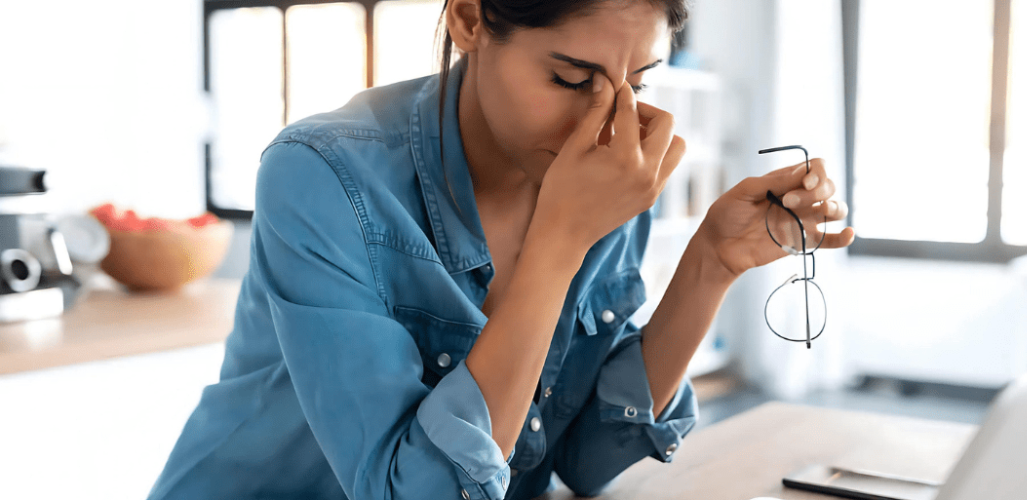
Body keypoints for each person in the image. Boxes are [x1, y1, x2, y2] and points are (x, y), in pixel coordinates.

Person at [147, 0, 854, 499]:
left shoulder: (608, 172)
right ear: (468, 17)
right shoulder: (324, 174)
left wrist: (711, 263)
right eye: (572, 79)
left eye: (637, 83)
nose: (608, 122)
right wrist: (560, 241)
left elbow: (584, 459)